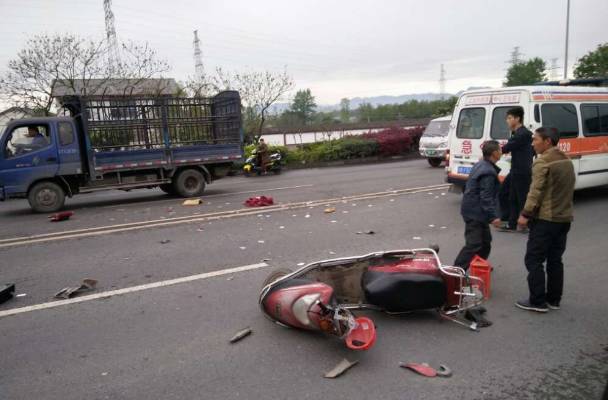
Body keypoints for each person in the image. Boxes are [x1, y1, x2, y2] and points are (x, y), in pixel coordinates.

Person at [515, 127, 575, 313]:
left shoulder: (543, 162)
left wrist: (524, 215)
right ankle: (553, 300)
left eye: (535, 140)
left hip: (546, 219)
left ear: (547, 141)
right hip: (564, 218)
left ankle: (537, 301)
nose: (533, 143)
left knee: (533, 259)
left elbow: (535, 192)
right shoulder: (566, 160)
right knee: (555, 260)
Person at [454, 140, 503, 270]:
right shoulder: (488, 172)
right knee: (474, 244)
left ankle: (479, 265)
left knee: (485, 243)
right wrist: (494, 217)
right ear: (494, 153)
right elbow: (486, 197)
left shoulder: (481, 164)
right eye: (499, 150)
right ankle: (457, 270)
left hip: (475, 210)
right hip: (474, 212)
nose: (501, 152)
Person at [499, 107, 534, 232]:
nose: (507, 121)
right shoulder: (518, 133)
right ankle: (511, 222)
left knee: (522, 198)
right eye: (507, 118)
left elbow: (507, 147)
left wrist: (491, 153)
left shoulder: (522, 134)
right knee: (508, 195)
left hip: (522, 171)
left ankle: (528, 223)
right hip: (515, 170)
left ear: (517, 118)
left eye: (509, 118)